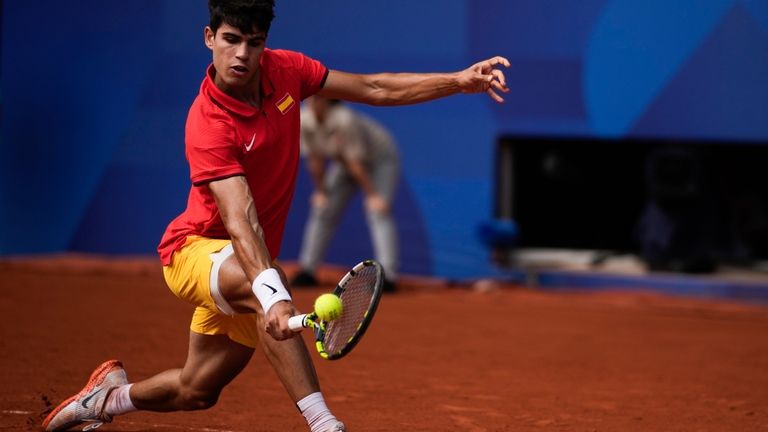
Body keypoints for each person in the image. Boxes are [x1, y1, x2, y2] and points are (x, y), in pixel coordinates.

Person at [42, 1, 510, 431]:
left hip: (247, 264)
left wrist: (458, 80)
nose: (242, 54)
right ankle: (325, 424)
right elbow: (239, 215)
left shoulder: (287, 71)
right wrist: (272, 294)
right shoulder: (207, 122)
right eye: (231, 39)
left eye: (254, 41)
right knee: (264, 283)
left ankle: (105, 399)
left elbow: (373, 86)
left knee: (197, 390)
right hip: (193, 252)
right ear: (209, 37)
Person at [292, 96, 400, 292]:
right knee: (322, 210)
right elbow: (315, 159)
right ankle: (308, 269)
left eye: (317, 99)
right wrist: (321, 192)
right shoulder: (304, 120)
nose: (312, 102)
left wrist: (373, 195)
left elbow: (355, 164)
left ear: (328, 101)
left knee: (378, 212)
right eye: (310, 98)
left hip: (379, 160)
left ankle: (388, 277)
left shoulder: (345, 119)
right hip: (345, 164)